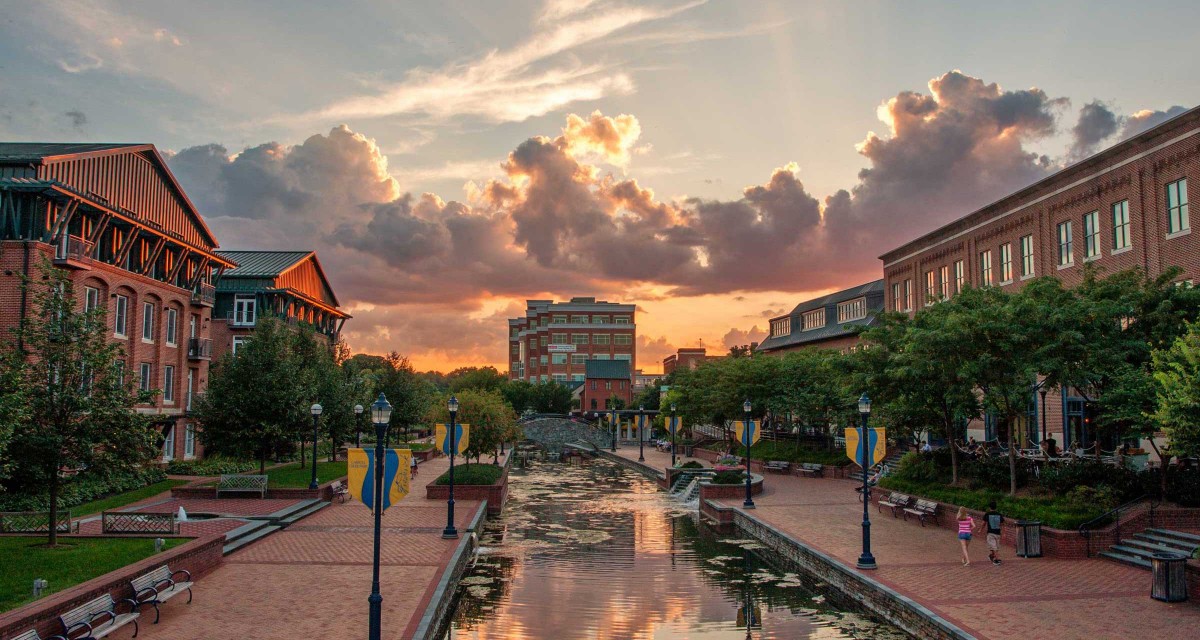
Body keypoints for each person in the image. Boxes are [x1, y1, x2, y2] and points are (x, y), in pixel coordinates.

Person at [984, 501, 1003, 565]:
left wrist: (980, 529)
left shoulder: (987, 514)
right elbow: (1002, 524)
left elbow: (984, 523)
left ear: (989, 507)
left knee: (995, 547)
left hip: (991, 532)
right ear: (996, 507)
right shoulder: (999, 514)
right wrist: (1003, 531)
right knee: (995, 547)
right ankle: (996, 560)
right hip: (996, 532)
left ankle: (991, 556)